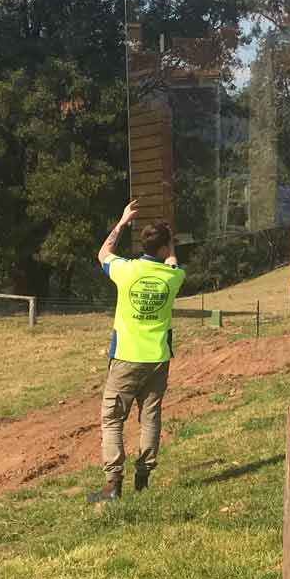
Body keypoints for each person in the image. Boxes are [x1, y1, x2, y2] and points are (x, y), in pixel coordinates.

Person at [90, 200, 185, 504]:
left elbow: (102, 254)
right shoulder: (174, 277)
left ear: (143, 244)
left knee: (112, 418)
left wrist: (121, 222)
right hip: (157, 358)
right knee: (150, 418)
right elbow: (171, 262)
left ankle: (113, 485)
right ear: (165, 247)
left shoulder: (126, 270)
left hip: (126, 359)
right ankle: (143, 479)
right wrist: (170, 246)